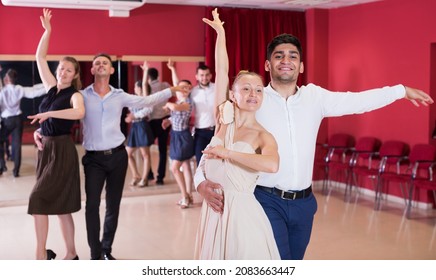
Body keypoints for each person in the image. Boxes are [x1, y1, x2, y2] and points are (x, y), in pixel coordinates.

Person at [196, 30, 434, 259]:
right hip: (265, 201)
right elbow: (218, 142)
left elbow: (359, 101)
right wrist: (200, 183)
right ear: (268, 65)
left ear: (301, 66)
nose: (286, 60)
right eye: (278, 55)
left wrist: (400, 91)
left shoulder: (315, 97)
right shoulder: (254, 98)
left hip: (304, 204)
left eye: (293, 56)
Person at [194, 9, 280, 259]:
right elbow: (222, 71)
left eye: (259, 90)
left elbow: (272, 164)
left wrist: (227, 153)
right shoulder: (223, 120)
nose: (254, 94)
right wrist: (220, 33)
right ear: (233, 95)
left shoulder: (263, 136)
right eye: (246, 89)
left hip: (243, 216)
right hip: (213, 211)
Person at [27, 8, 85, 260]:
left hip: (62, 150)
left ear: (75, 75)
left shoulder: (74, 94)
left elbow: (79, 114)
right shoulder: (52, 88)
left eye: (68, 70)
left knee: (38, 198)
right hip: (46, 149)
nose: (62, 72)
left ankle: (41, 253)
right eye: (61, 68)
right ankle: (70, 253)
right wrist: (47, 31)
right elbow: (40, 57)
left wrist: (50, 116)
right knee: (60, 207)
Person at [0, 68, 46, 177]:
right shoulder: (19, 88)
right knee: (17, 144)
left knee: (0, 143)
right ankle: (16, 171)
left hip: (7, 121)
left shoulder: (3, 91)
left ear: (6, 79)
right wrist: (47, 85)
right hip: (18, 119)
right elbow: (34, 91)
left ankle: (1, 166)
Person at [164, 60, 194, 209]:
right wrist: (172, 69)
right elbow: (176, 85)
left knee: (175, 168)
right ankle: (188, 195)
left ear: (189, 89)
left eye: (185, 88)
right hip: (176, 136)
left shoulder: (187, 102)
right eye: (180, 88)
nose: (181, 90)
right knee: (186, 166)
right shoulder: (180, 98)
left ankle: (184, 196)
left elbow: (176, 107)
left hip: (183, 137)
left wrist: (168, 105)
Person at [125, 62, 154, 187]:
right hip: (134, 126)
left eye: (140, 87)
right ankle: (136, 175)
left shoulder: (146, 99)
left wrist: (145, 71)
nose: (138, 89)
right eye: (137, 87)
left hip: (142, 125)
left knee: (145, 154)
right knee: (128, 153)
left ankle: (144, 178)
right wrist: (130, 117)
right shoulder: (133, 98)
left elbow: (148, 110)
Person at [143, 64, 171, 185]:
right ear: (157, 76)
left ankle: (149, 174)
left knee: (145, 149)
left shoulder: (147, 87)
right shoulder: (165, 85)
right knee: (163, 150)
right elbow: (173, 93)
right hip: (164, 120)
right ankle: (160, 178)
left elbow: (144, 90)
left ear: (148, 77)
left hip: (152, 122)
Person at [191, 64, 216, 166]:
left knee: (216, 162)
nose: (204, 78)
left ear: (210, 76)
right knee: (200, 161)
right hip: (199, 132)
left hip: (215, 131)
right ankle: (201, 182)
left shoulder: (217, 88)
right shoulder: (192, 91)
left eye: (206, 75)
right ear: (196, 76)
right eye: (201, 75)